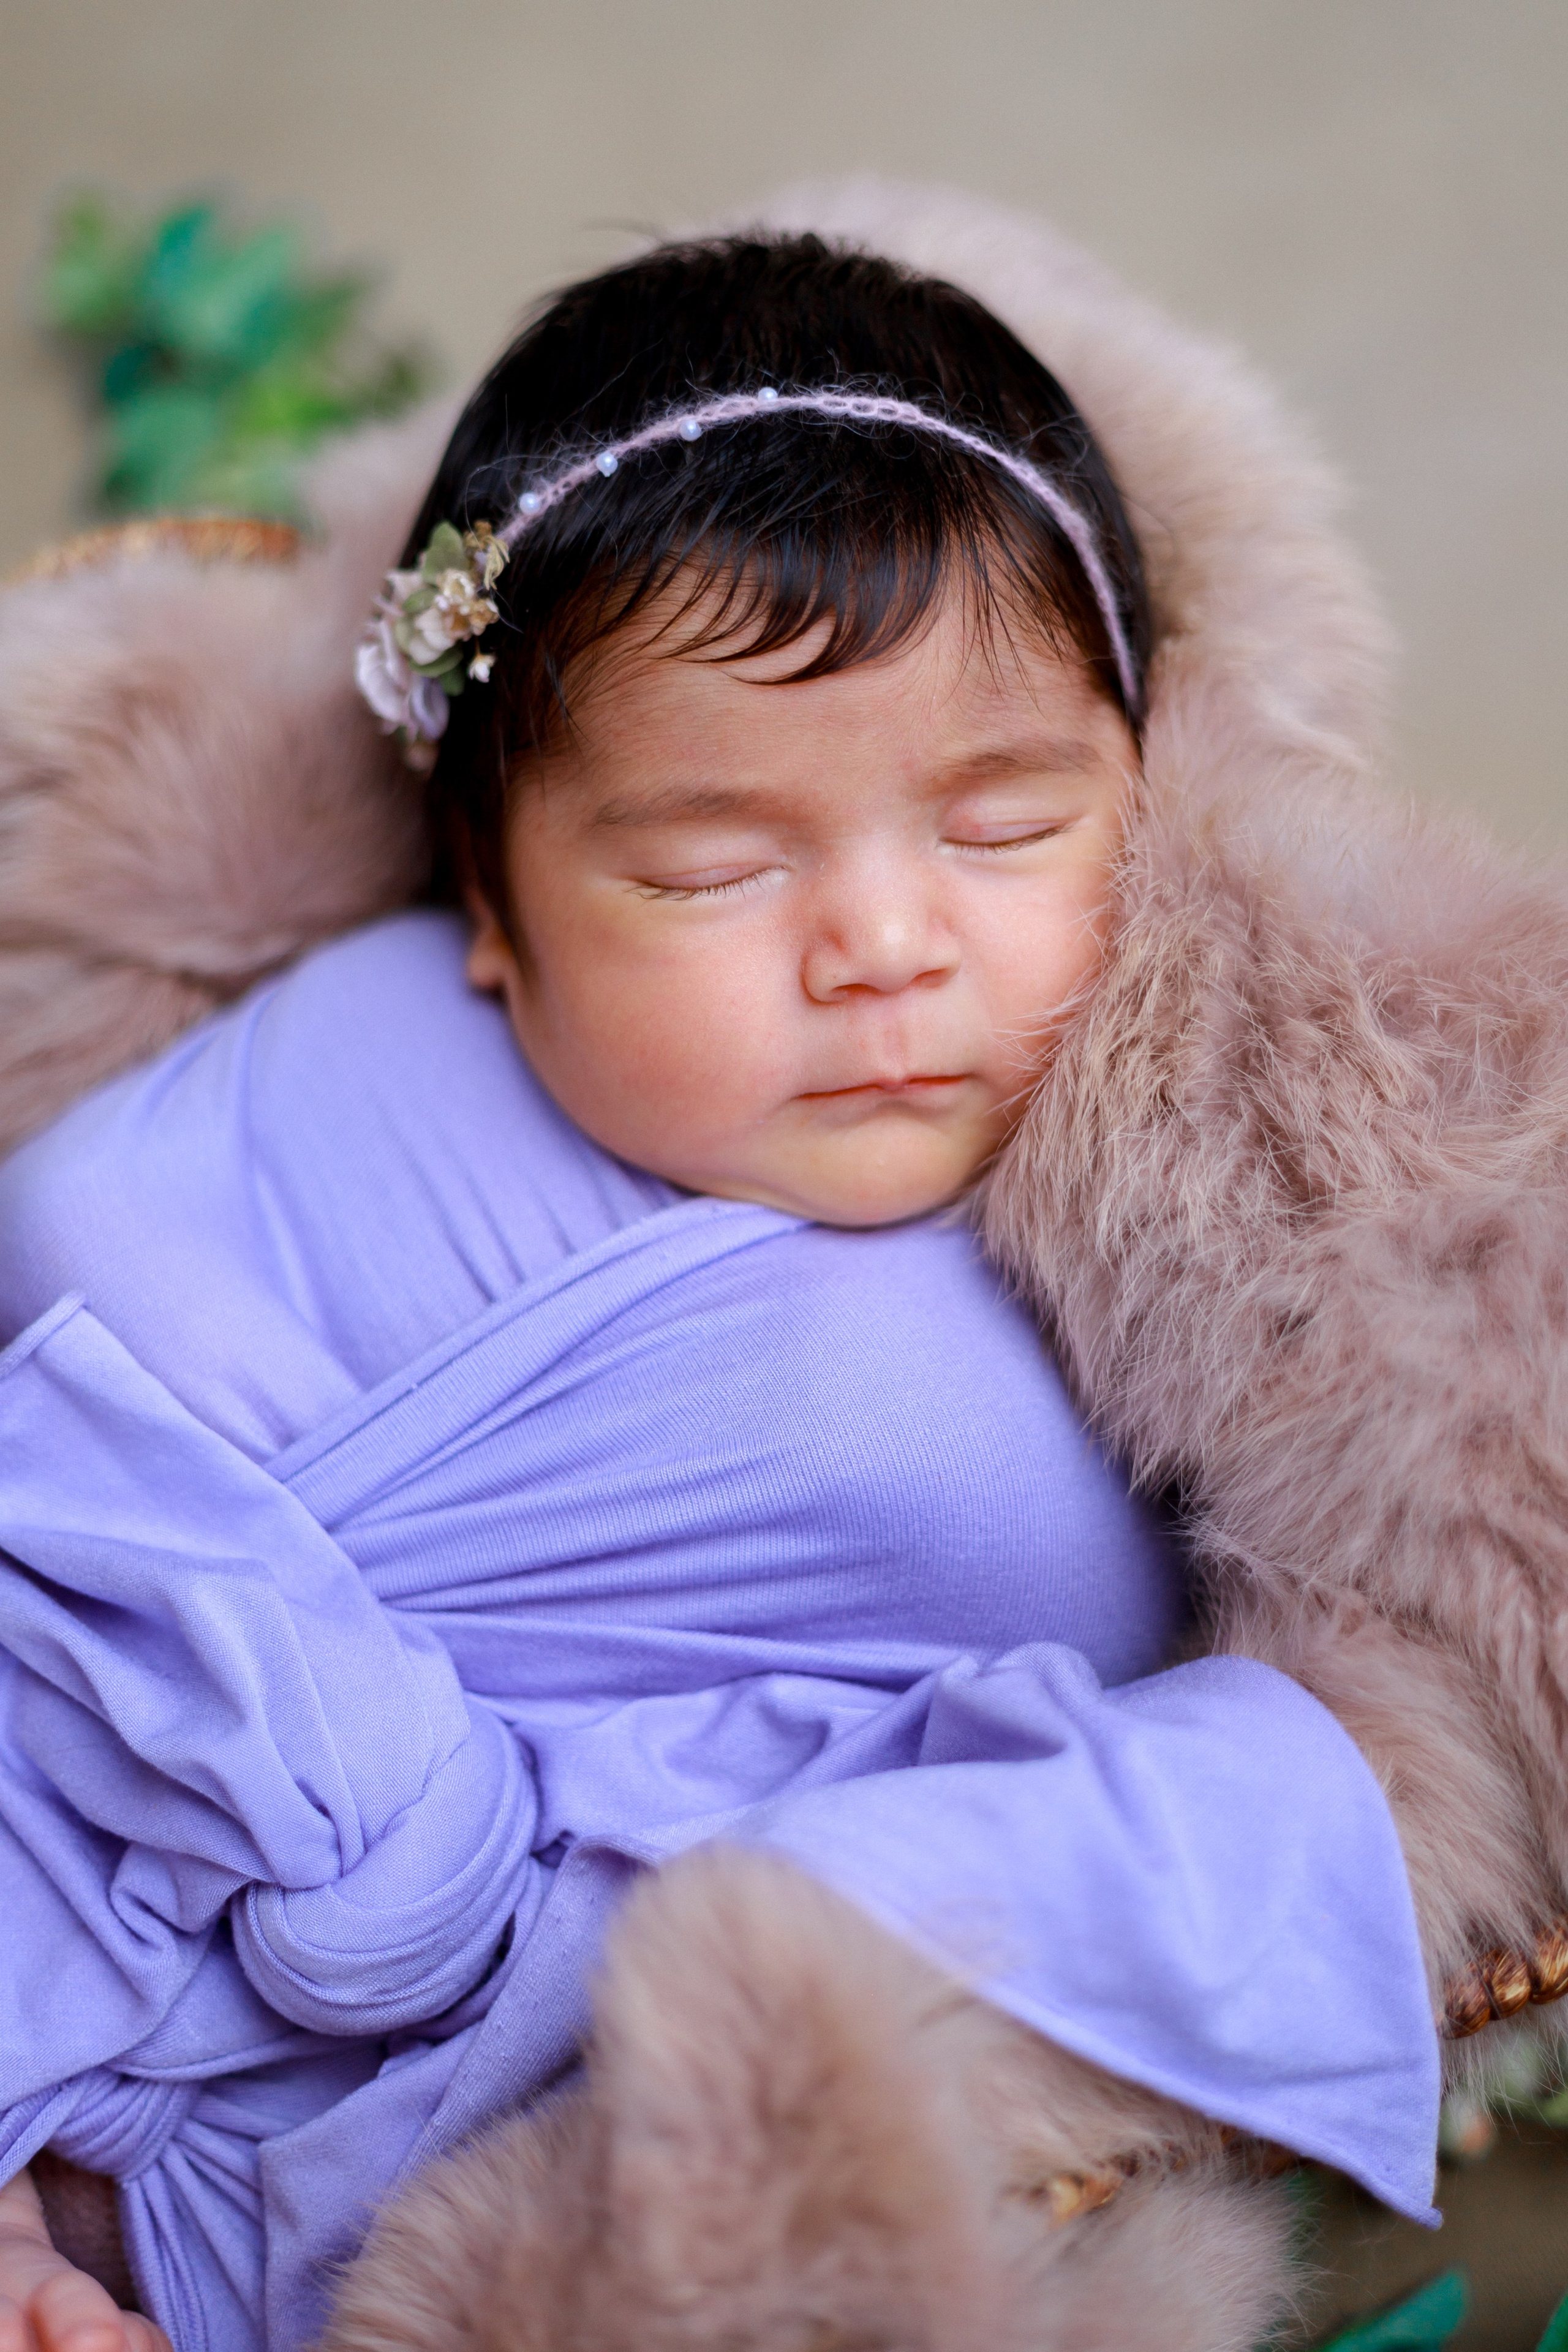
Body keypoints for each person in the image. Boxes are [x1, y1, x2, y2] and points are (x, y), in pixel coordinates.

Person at [0, 224, 1444, 2352]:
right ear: (488, 904)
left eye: (1008, 814)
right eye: (709, 868)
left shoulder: (1221, 1176)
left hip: (613, 2091)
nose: (880, 940)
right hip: (188, 1878)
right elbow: (77, 1453)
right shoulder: (337, 1070)